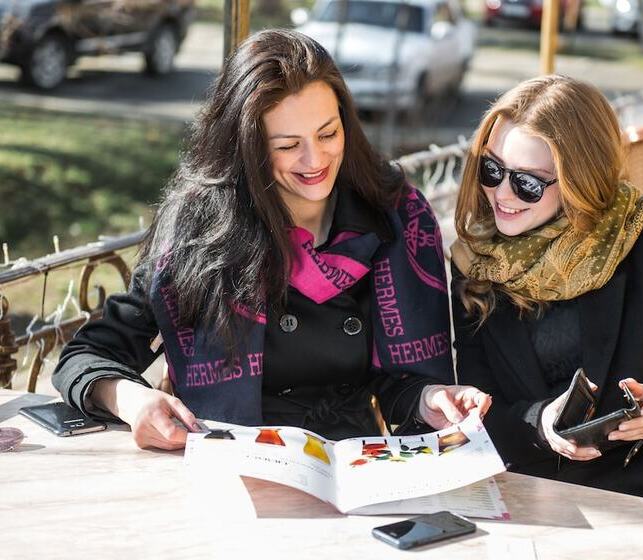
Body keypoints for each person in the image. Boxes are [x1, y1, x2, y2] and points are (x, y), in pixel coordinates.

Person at [53, 29, 489, 451]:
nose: (315, 160)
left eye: (328, 133)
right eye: (287, 145)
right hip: (229, 457)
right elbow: (87, 355)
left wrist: (430, 398)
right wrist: (133, 400)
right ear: (247, 147)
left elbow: (402, 385)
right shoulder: (201, 230)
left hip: (350, 460)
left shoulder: (395, 217)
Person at [449, 75, 643, 560]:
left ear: (580, 178)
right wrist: (541, 424)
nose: (502, 194)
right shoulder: (478, 259)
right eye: (492, 170)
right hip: (533, 504)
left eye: (527, 182)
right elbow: (481, 406)